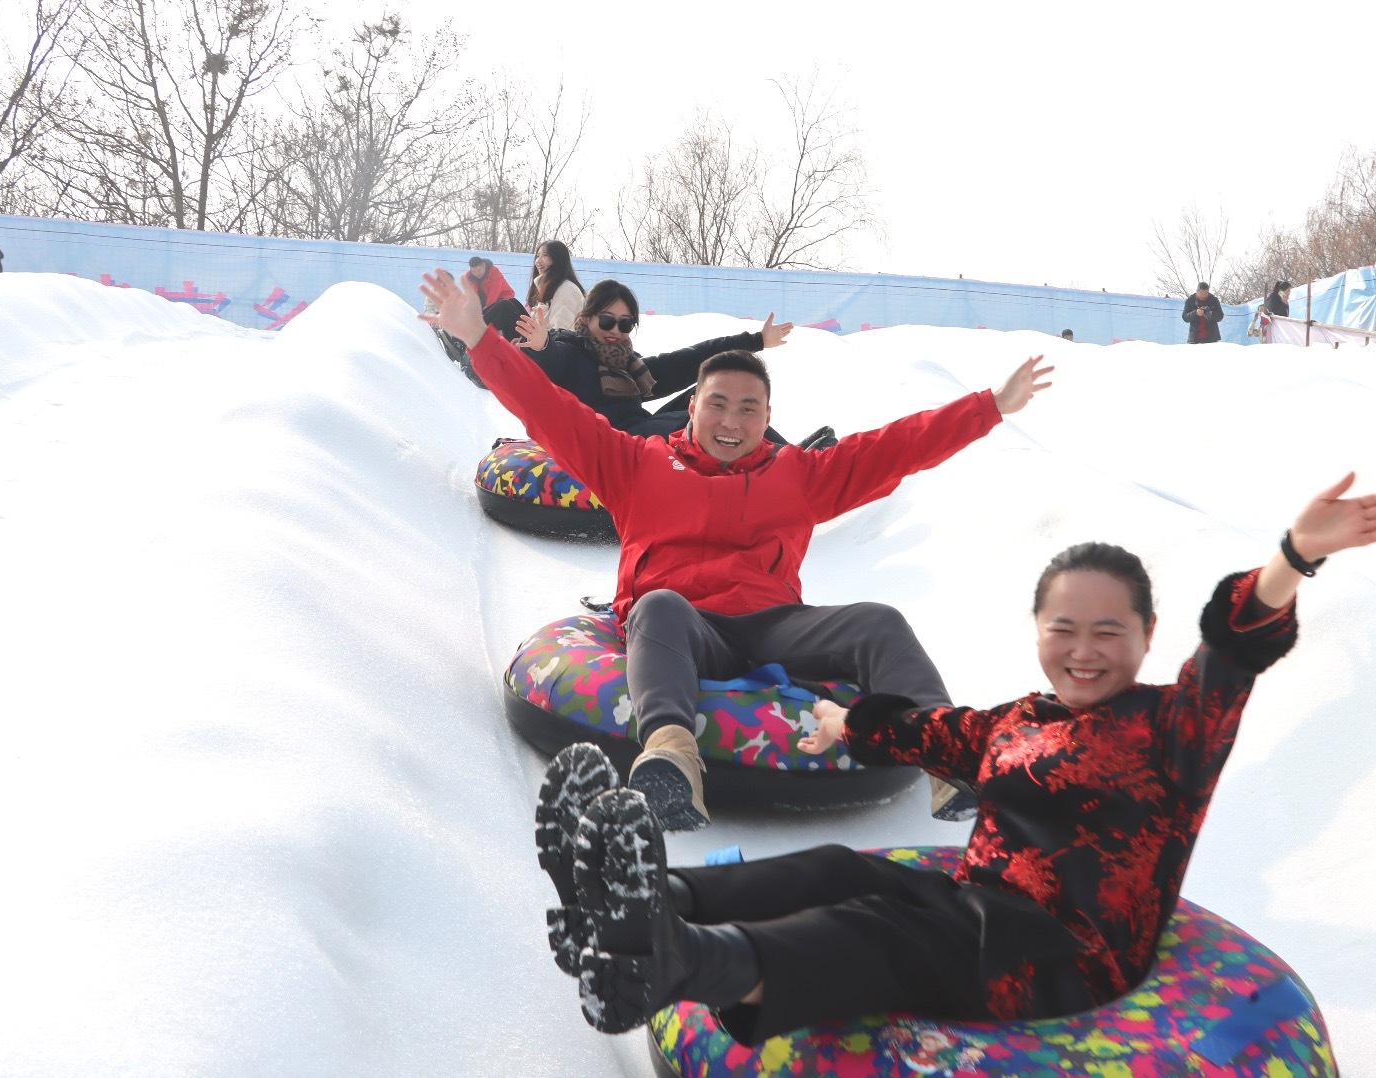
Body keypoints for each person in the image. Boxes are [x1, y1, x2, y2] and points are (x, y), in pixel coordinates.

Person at [539, 475, 1376, 1042]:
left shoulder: (1176, 729)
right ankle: (648, 896)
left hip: (1067, 953)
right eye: (1063, 628)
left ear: (1146, 637)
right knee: (842, 869)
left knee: (885, 933)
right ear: (1039, 632)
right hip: (984, 899)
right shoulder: (1023, 720)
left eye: (1109, 631)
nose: (1083, 650)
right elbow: (935, 733)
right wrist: (847, 727)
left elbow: (1233, 651)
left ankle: (680, 959)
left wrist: (1293, 557)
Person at [421, 267, 1052, 830]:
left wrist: (990, 406)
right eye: (717, 404)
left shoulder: (797, 474)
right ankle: (670, 757)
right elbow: (549, 411)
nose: (731, 421)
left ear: (767, 415)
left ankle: (949, 758)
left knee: (879, 623)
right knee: (659, 605)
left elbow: (896, 447)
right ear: (690, 408)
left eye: (749, 409)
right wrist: (481, 338)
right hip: (681, 626)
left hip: (772, 625)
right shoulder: (634, 462)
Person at [507, 278, 830, 448]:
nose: (615, 331)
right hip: (609, 443)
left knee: (707, 396)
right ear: (587, 318)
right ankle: (794, 464)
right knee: (688, 421)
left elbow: (694, 356)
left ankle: (785, 457)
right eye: (607, 321)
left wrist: (756, 341)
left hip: (637, 431)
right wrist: (540, 345)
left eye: (625, 323)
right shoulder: (572, 350)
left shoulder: (629, 367)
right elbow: (552, 363)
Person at [527, 240, 586, 334]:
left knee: (505, 307)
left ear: (558, 259)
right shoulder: (547, 287)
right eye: (538, 256)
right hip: (542, 342)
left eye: (545, 255)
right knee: (510, 305)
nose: (538, 261)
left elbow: (560, 330)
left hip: (556, 345)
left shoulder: (566, 289)